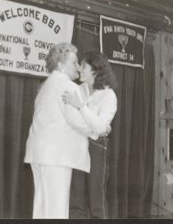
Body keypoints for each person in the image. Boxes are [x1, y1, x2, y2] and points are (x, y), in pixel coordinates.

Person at [24, 43, 107, 219]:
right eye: (75, 62)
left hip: (39, 154)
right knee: (57, 210)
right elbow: (76, 120)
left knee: (42, 208)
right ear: (61, 65)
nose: (78, 67)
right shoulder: (68, 86)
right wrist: (97, 131)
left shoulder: (46, 85)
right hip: (56, 157)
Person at [62, 51, 118, 219]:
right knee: (76, 196)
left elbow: (100, 128)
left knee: (96, 198)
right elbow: (78, 122)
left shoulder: (109, 95)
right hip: (77, 143)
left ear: (95, 70)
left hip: (97, 148)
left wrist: (80, 107)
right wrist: (94, 126)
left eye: (84, 66)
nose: (79, 68)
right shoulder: (78, 89)